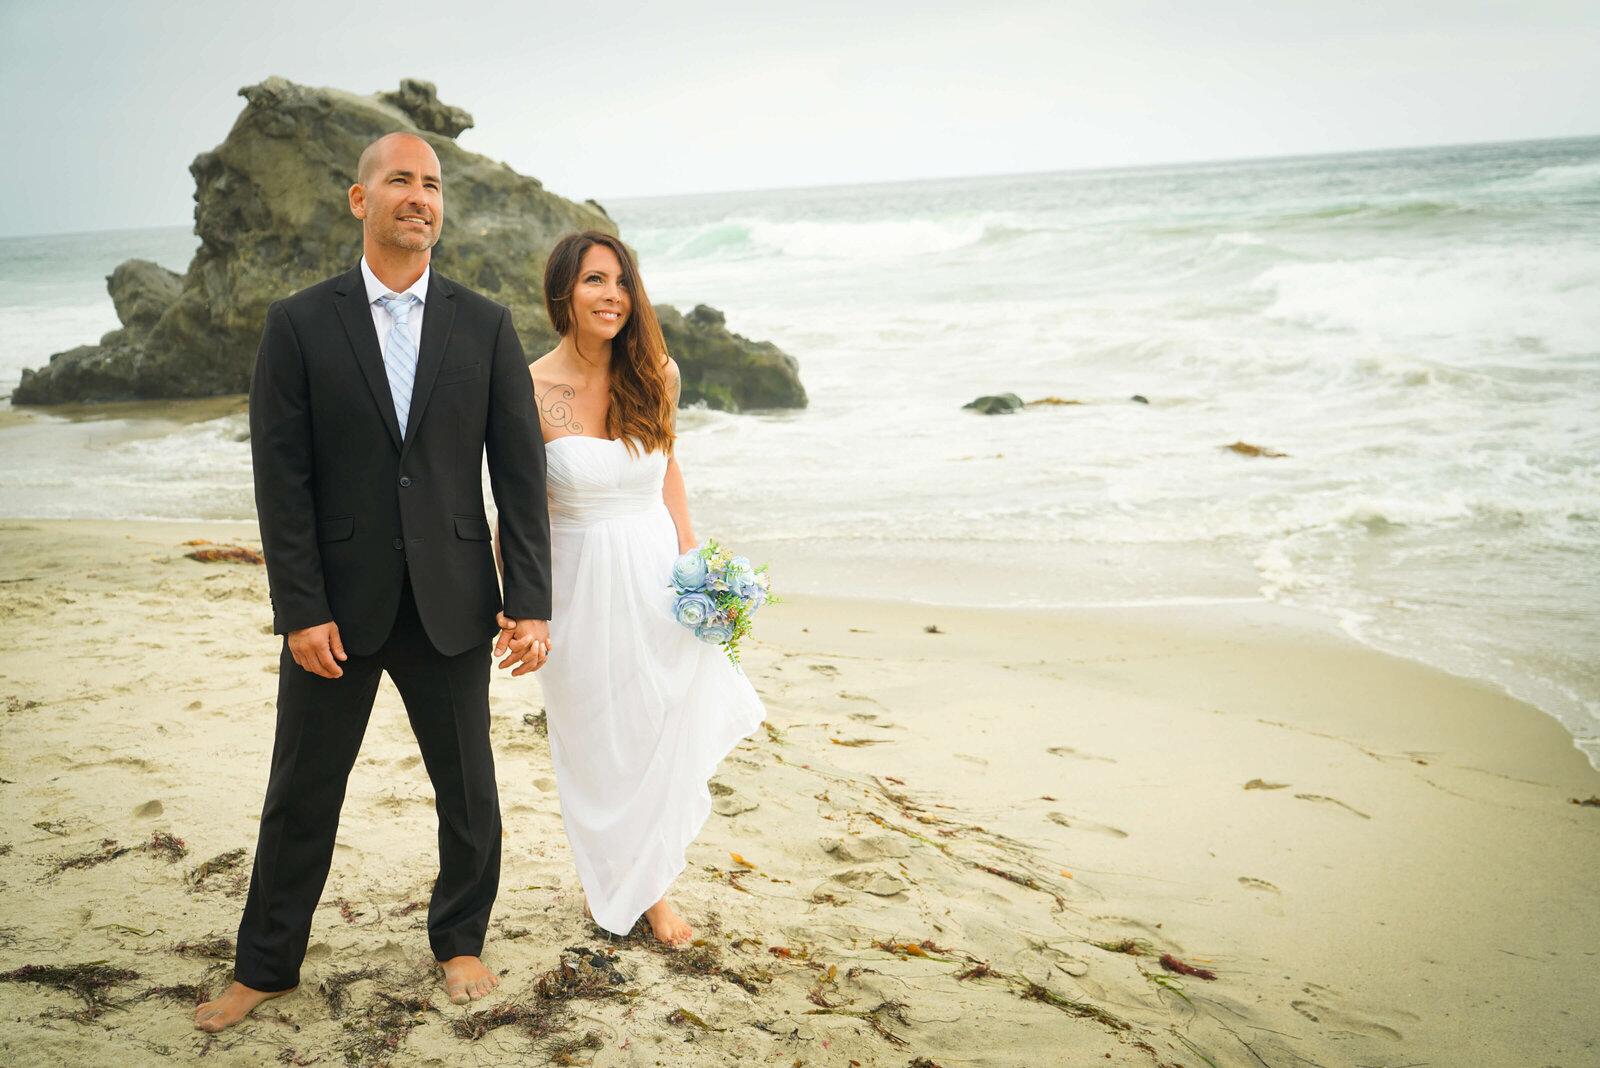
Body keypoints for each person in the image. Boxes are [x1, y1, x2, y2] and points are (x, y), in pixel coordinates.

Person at [195, 132, 553, 1032]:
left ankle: (460, 938)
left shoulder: (486, 324)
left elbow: (517, 474)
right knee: (301, 792)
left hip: (453, 602)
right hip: (336, 615)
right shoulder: (300, 323)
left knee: (468, 791)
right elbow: (282, 481)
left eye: (432, 184)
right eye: (399, 180)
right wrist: (299, 609)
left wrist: (532, 601)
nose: (419, 197)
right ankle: (267, 965)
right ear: (361, 201)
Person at [503, 231, 764, 944]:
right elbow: (516, 505)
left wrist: (697, 565)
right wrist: (518, 605)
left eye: (620, 281)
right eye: (594, 280)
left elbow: (669, 470)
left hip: (656, 573)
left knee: (660, 726)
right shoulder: (525, 387)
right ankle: (608, 880)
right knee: (598, 741)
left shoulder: (657, 373)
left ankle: (653, 891)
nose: (611, 295)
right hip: (579, 581)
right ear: (564, 291)